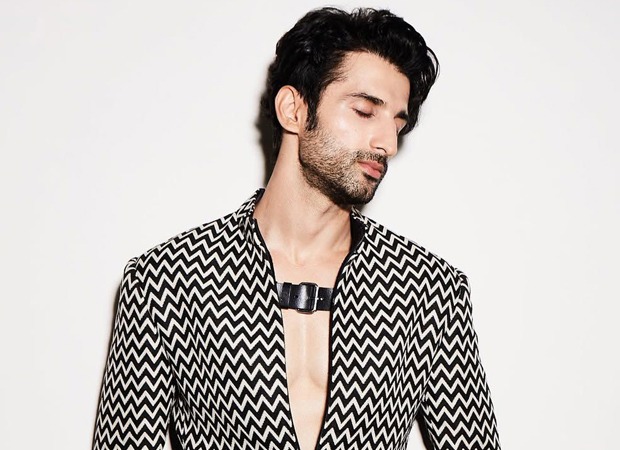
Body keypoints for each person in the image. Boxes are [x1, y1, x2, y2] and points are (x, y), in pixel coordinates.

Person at [93, 7, 500, 450]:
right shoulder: (166, 282)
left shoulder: (428, 291)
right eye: (365, 111)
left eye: (397, 125)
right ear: (294, 109)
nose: (387, 144)